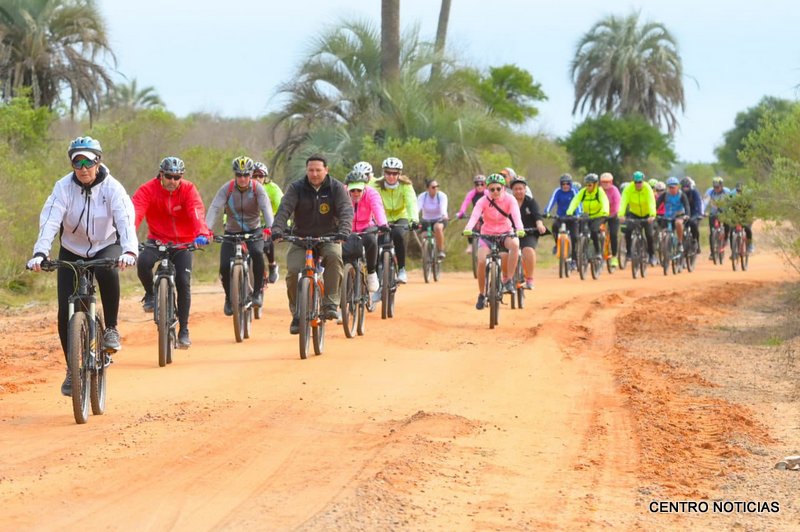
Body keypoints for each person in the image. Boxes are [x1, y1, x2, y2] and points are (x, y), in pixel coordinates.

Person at [28, 136, 138, 396]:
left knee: (107, 270)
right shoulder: (63, 187)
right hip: (72, 249)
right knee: (65, 311)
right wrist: (40, 252)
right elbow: (50, 220)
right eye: (77, 163)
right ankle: (72, 369)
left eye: (88, 162)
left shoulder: (112, 188)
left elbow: (125, 219)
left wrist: (129, 250)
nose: (83, 168)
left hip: (105, 244)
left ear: (98, 162)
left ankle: (111, 328)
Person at [132, 156, 211, 348]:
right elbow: (136, 212)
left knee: (183, 282)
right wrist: (128, 237)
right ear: (161, 174)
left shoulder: (188, 189)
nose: (173, 181)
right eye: (169, 176)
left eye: (177, 177)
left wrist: (202, 233)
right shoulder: (148, 189)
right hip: (157, 239)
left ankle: (184, 330)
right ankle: (150, 294)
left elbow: (196, 212)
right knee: (143, 262)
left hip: (183, 243)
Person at [270, 154, 353, 334]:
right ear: (306, 170)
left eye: (318, 170)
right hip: (301, 238)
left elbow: (346, 211)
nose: (314, 174)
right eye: (311, 170)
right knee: (293, 272)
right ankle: (297, 313)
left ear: (326, 170)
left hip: (329, 237)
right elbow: (284, 210)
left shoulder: (336, 188)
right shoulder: (296, 188)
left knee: (334, 257)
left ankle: (330, 303)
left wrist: (344, 231)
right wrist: (277, 229)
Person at [205, 156, 274, 315]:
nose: (242, 178)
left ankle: (257, 292)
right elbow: (215, 208)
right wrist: (206, 229)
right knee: (224, 266)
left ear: (251, 174)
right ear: (234, 174)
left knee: (257, 253)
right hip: (232, 231)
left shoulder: (257, 189)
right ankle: (229, 298)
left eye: (246, 175)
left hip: (253, 230)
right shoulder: (227, 188)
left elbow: (266, 208)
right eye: (239, 175)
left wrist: (270, 228)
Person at [462, 174, 525, 309]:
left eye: (498, 189)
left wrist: (520, 229)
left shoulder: (510, 199)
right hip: (487, 235)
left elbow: (516, 216)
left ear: (503, 188)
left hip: (505, 233)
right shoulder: (482, 201)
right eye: (492, 189)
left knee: (515, 244)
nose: (495, 192)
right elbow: (474, 216)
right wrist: (468, 228)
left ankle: (509, 280)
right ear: (488, 190)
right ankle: (481, 294)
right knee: (481, 261)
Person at [369, 156, 418, 284]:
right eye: (388, 173)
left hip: (400, 216)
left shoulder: (406, 185)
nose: (391, 176)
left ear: (399, 174)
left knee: (398, 235)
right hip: (381, 217)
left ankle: (402, 269)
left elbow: (411, 203)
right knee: (376, 242)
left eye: (394, 173)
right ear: (383, 172)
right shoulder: (375, 184)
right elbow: (368, 200)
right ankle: (376, 275)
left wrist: (414, 220)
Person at [343, 169, 387, 296]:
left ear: (364, 188)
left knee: (371, 240)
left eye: (359, 190)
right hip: (347, 228)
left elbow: (378, 209)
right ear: (348, 189)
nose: (356, 193)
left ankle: (372, 272)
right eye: (352, 190)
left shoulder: (371, 193)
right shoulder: (342, 193)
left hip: (366, 226)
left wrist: (383, 224)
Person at [510, 176, 546, 289]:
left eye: (521, 188)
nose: (518, 191)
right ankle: (506, 278)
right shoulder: (508, 202)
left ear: (525, 189)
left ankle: (529, 279)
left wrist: (539, 224)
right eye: (516, 189)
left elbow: (537, 215)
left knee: (528, 250)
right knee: (504, 254)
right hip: (511, 233)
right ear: (512, 190)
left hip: (528, 232)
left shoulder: (531, 202)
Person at [566, 173, 609, 260]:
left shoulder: (600, 192)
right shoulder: (583, 192)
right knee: (582, 230)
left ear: (595, 184)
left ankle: (598, 252)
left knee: (594, 230)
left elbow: (605, 202)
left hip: (599, 215)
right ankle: (583, 250)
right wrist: (569, 211)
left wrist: (605, 212)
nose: (588, 187)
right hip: (587, 215)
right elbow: (575, 201)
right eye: (586, 185)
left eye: (590, 185)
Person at [618, 170, 657, 266]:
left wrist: (652, 215)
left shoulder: (647, 188)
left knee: (649, 235)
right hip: (634, 213)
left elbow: (651, 202)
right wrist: (621, 214)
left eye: (640, 182)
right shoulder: (628, 189)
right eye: (636, 182)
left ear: (643, 181)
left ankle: (652, 255)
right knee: (628, 230)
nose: (638, 184)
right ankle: (628, 252)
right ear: (633, 182)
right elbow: (623, 202)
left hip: (647, 215)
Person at [253, 161, 283, 283]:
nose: (257, 179)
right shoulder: (245, 188)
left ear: (265, 177)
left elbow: (282, 207)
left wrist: (282, 223)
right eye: (254, 176)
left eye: (260, 176)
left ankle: (272, 265)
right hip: (251, 222)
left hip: (270, 220)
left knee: (266, 241)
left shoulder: (273, 189)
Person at [544, 173, 581, 263]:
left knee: (574, 237)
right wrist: (547, 212)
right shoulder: (557, 191)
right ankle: (557, 245)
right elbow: (552, 201)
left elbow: (578, 203)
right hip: (560, 217)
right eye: (563, 184)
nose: (565, 186)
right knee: (554, 227)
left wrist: (578, 214)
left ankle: (574, 260)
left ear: (570, 184)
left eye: (567, 183)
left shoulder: (574, 191)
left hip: (572, 218)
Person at [417, 179, 449, 259]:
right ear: (428, 189)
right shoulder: (422, 196)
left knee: (437, 228)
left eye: (437, 186)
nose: (436, 188)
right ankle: (426, 256)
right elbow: (417, 208)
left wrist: (444, 215)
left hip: (439, 219)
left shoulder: (442, 196)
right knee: (424, 235)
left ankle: (441, 250)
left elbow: (443, 207)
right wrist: (413, 218)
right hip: (426, 221)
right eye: (433, 187)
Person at [656, 177, 691, 249]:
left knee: (678, 223)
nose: (671, 189)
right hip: (667, 216)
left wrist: (687, 215)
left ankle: (680, 243)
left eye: (673, 187)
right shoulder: (665, 195)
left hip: (679, 215)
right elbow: (656, 205)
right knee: (661, 232)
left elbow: (686, 205)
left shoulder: (682, 194)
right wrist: (653, 214)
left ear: (677, 187)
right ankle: (664, 247)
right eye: (670, 187)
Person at [455, 174, 487, 254]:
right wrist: (461, 213)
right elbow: (465, 203)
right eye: (477, 184)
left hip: (487, 214)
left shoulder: (487, 193)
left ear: (485, 185)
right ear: (474, 185)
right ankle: (470, 244)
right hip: (476, 214)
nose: (479, 186)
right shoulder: (471, 193)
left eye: (482, 184)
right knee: (470, 226)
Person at [703, 176, 733, 259]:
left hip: (725, 212)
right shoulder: (710, 191)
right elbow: (704, 202)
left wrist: (731, 211)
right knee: (712, 232)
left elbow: (731, 202)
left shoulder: (727, 191)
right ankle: (712, 252)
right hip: (714, 213)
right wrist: (702, 212)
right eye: (714, 187)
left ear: (722, 186)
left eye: (718, 187)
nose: (716, 189)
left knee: (727, 225)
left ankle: (725, 239)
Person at [599, 172, 621, 268]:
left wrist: (615, 213)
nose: (605, 184)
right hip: (602, 215)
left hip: (613, 215)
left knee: (613, 234)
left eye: (607, 182)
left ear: (611, 182)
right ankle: (598, 252)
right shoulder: (598, 190)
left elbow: (617, 203)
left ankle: (614, 256)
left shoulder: (614, 191)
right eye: (603, 182)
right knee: (595, 230)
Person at [680, 177, 704, 253]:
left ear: (690, 186)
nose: (685, 188)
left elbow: (698, 203)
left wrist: (699, 214)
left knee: (694, 224)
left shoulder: (694, 192)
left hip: (694, 213)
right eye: (683, 186)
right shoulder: (679, 193)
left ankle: (695, 241)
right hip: (683, 213)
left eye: (687, 186)